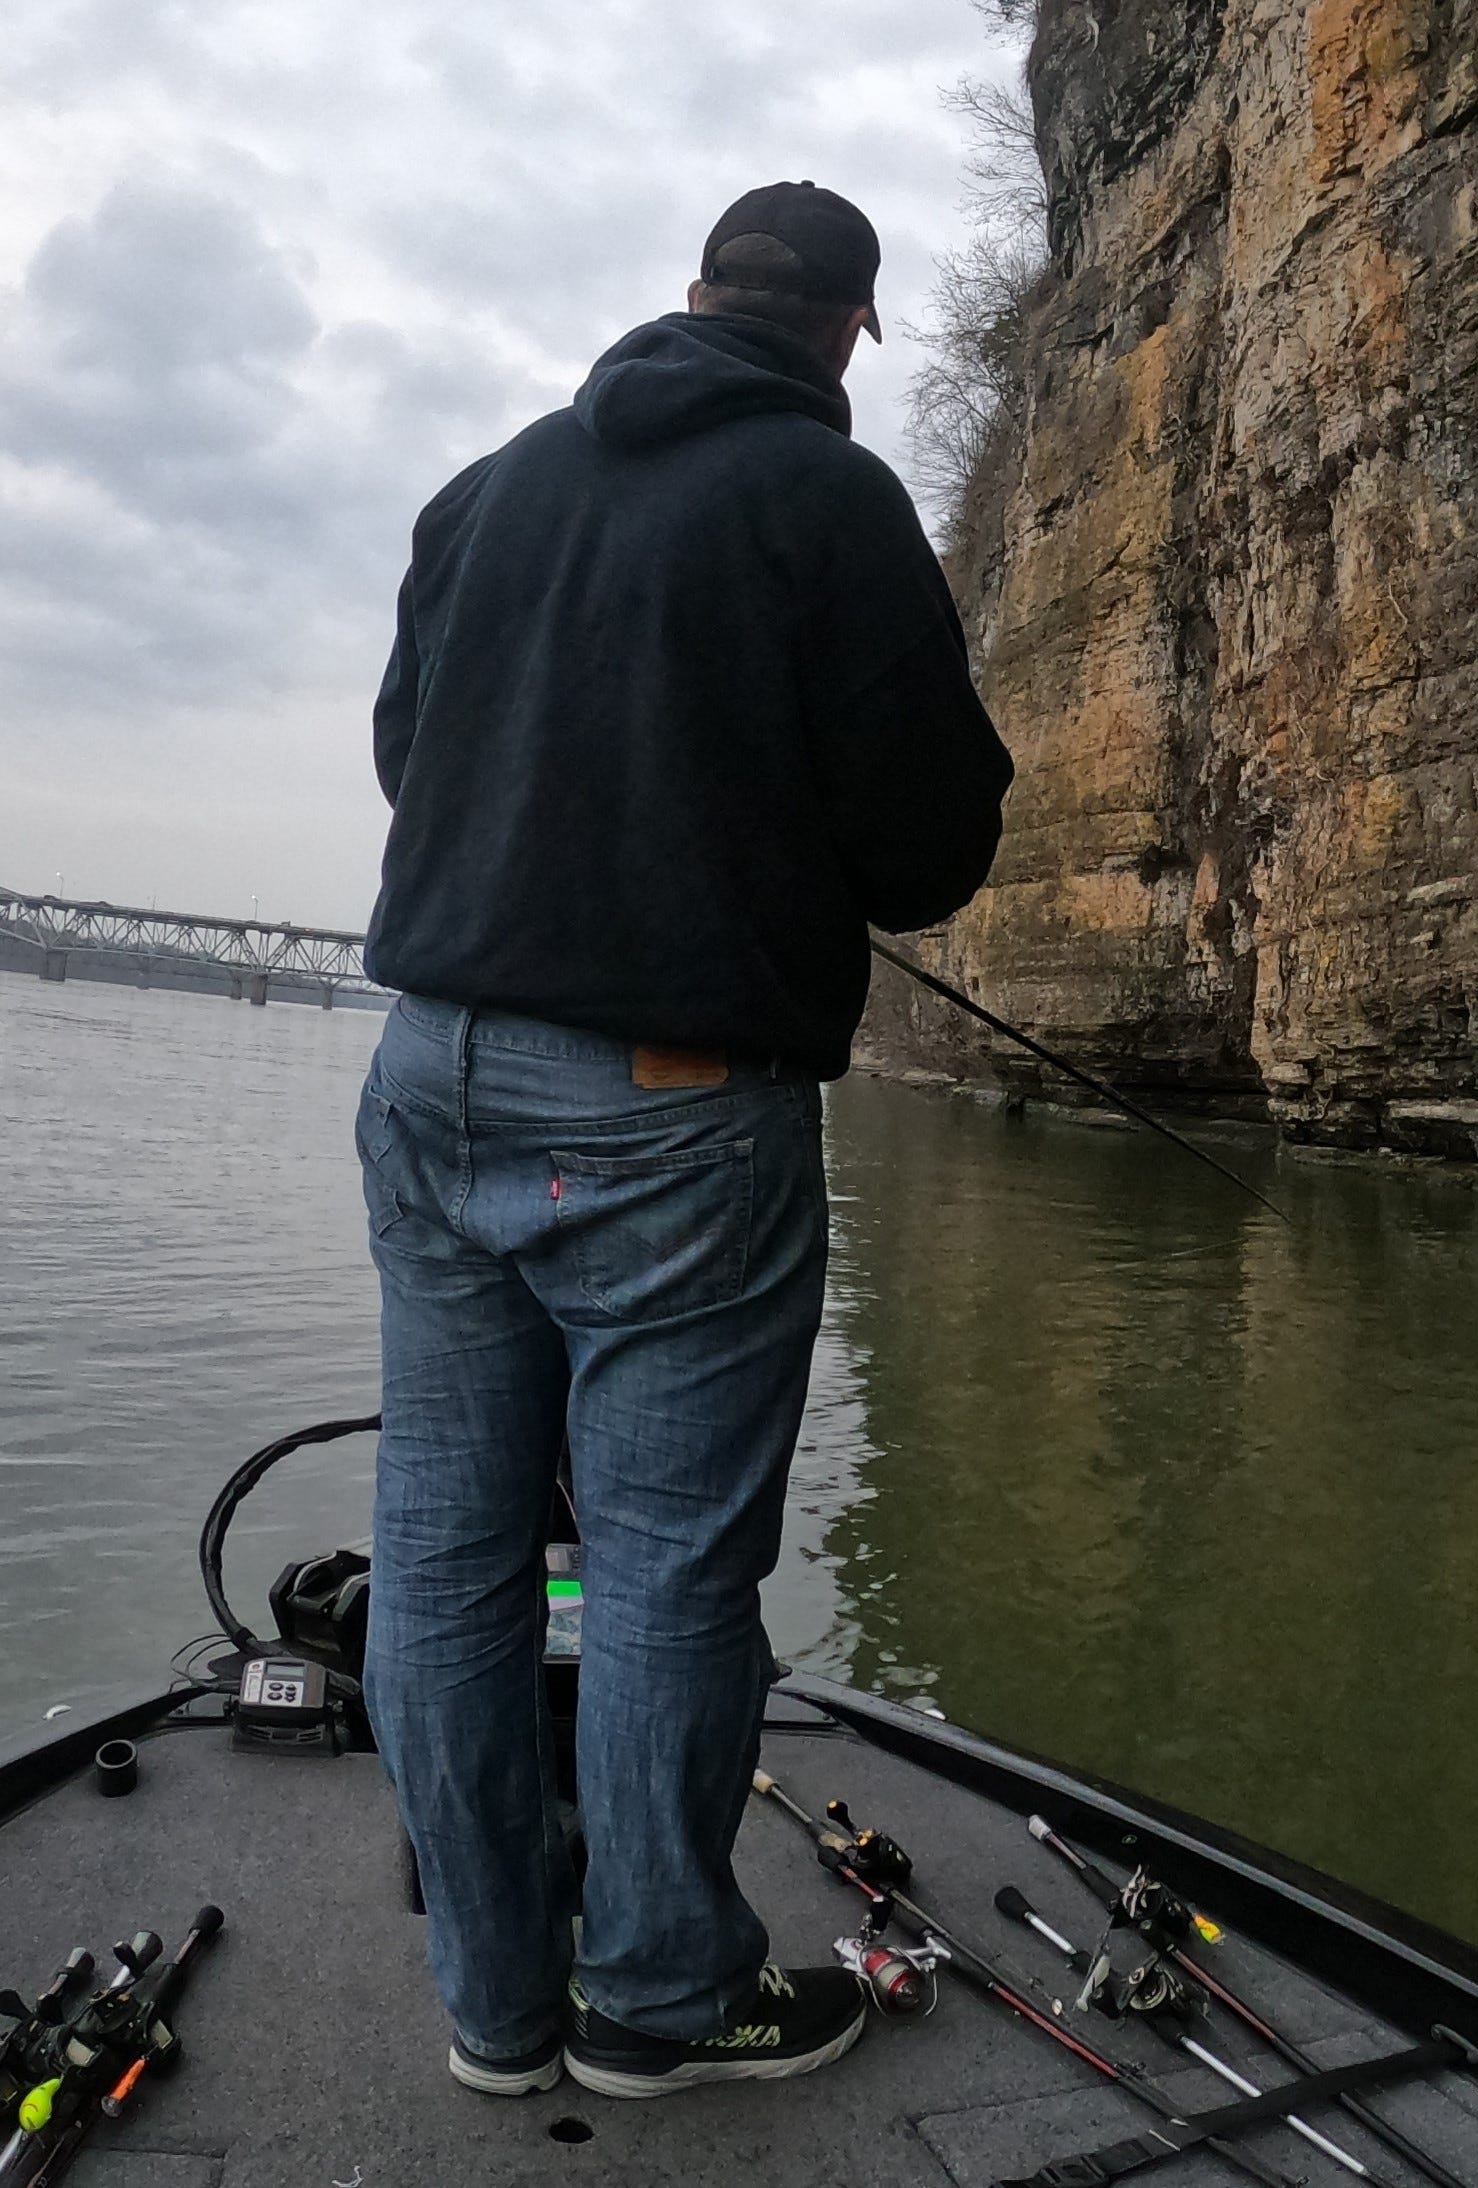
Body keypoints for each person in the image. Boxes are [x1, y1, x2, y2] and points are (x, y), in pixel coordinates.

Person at [353, 181, 1013, 2101]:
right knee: (654, 1567)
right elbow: (929, 848)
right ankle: (658, 1992)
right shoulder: (830, 502)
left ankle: (494, 2006)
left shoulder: (481, 493)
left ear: (696, 295)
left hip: (427, 1075)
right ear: (843, 336)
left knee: (445, 1554)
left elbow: (419, 760)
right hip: (667, 1113)